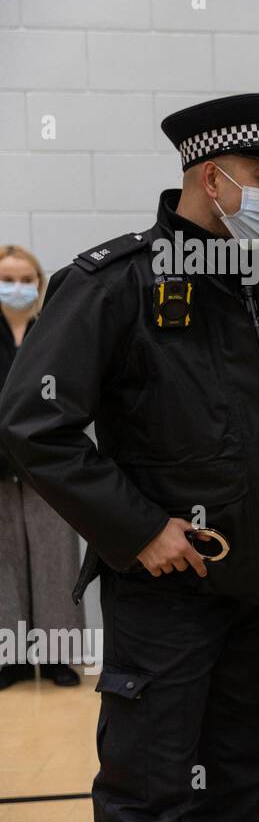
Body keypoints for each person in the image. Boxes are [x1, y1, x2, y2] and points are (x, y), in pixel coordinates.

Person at [0, 93, 259, 822]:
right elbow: (34, 423)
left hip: (258, 589)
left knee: (240, 779)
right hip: (167, 597)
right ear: (212, 178)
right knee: (149, 795)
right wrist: (138, 530)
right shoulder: (113, 283)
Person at [0, 245, 83, 689]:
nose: (15, 288)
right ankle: (10, 659)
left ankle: (57, 658)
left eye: (24, 279)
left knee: (56, 561)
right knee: (4, 564)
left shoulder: (52, 331)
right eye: (6, 279)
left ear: (38, 283)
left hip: (48, 467)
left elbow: (71, 395)